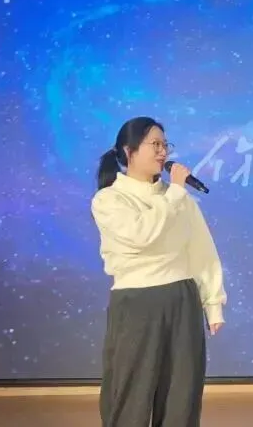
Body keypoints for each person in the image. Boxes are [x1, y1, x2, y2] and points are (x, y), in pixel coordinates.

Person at [91, 116, 227, 427]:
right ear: (129, 151)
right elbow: (142, 235)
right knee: (131, 394)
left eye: (165, 145)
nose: (163, 151)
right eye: (155, 144)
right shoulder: (109, 199)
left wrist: (213, 302)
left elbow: (201, 249)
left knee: (181, 395)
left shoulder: (177, 197)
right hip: (136, 302)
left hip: (182, 299)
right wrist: (175, 193)